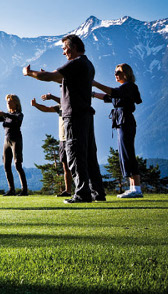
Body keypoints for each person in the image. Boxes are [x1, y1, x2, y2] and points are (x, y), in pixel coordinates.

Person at [23, 34, 106, 203]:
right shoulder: (87, 64)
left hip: (74, 115)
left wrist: (29, 72)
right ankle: (97, 193)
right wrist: (49, 75)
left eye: (65, 48)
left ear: (74, 47)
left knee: (74, 153)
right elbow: (63, 79)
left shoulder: (76, 63)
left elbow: (48, 77)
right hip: (85, 115)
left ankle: (82, 194)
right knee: (89, 156)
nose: (63, 53)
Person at [92, 63, 143, 198]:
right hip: (121, 122)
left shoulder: (129, 87)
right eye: (115, 72)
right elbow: (108, 97)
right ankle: (133, 187)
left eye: (118, 72)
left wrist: (95, 83)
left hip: (125, 121)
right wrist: (91, 93)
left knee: (128, 153)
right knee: (124, 153)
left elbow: (113, 93)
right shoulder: (124, 88)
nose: (115, 74)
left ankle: (136, 188)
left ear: (126, 73)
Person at [0, 94, 28, 196]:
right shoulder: (6, 116)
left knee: (17, 165)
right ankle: (11, 190)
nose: (8, 102)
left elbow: (17, 119)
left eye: (10, 101)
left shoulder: (19, 114)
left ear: (15, 103)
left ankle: (24, 190)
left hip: (16, 140)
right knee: (6, 165)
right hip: (6, 141)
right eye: (7, 101)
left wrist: (4, 114)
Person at [31, 95, 73, 197]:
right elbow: (46, 109)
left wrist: (51, 97)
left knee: (76, 166)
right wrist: (36, 105)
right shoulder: (60, 106)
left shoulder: (70, 103)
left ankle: (85, 189)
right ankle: (68, 191)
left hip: (72, 138)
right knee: (65, 167)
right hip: (62, 139)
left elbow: (66, 101)